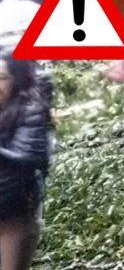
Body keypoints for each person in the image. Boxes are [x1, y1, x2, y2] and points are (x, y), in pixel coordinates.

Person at [0, 48, 53, 270]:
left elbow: (29, 159)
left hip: (16, 208)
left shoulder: (33, 109)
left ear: (17, 79)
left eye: (2, 78)